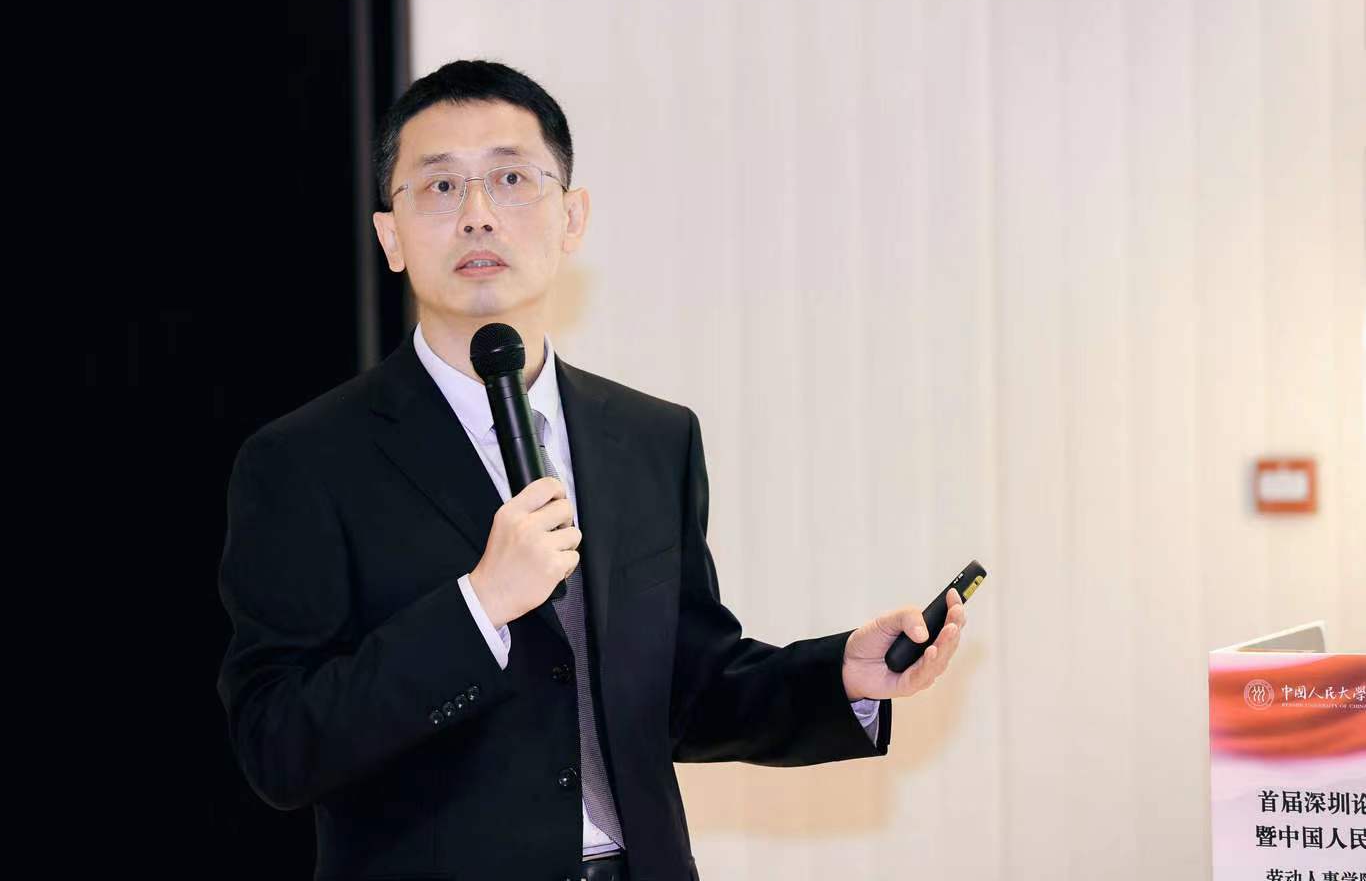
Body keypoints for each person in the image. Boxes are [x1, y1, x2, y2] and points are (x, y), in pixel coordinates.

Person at [217, 59, 968, 881]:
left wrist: (840, 676)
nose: (476, 214)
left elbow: (685, 686)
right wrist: (479, 606)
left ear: (571, 217)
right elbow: (278, 744)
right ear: (390, 237)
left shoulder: (651, 437)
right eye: (440, 186)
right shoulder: (306, 460)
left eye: (511, 179)